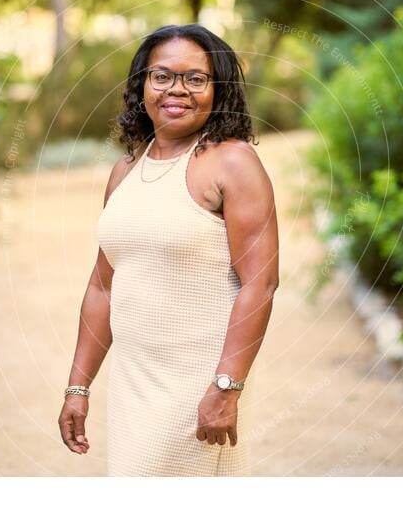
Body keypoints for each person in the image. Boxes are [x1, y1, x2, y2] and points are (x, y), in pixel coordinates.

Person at [57, 24, 279, 476]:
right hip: (133, 382)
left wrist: (227, 387)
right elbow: (103, 286)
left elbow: (262, 282)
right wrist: (78, 388)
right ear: (142, 84)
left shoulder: (232, 162)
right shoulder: (126, 170)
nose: (177, 89)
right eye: (162, 76)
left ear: (219, 90)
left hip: (199, 384)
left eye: (196, 79)